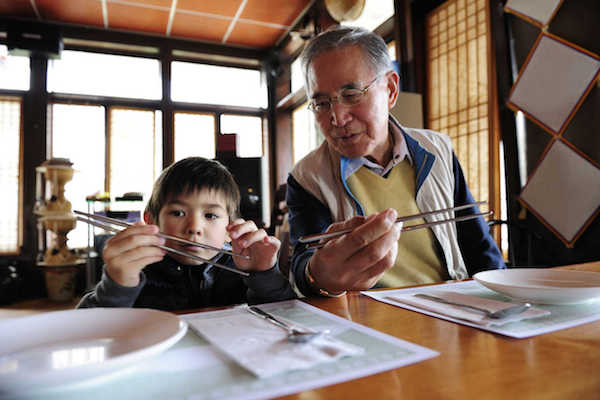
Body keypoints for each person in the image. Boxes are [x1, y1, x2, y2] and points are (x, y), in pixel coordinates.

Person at [287, 26, 505, 298]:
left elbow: (477, 243)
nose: (338, 118)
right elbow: (301, 265)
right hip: (366, 321)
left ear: (390, 89)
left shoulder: (437, 150)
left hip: (453, 305)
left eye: (352, 95)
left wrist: (504, 301)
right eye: (321, 103)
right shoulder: (308, 177)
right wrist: (316, 276)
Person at [78, 157, 296, 310]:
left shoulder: (240, 266)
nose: (194, 227)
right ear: (150, 220)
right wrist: (118, 283)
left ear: (230, 228)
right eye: (178, 212)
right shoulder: (137, 268)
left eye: (210, 215)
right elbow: (85, 333)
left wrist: (263, 274)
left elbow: (288, 317)